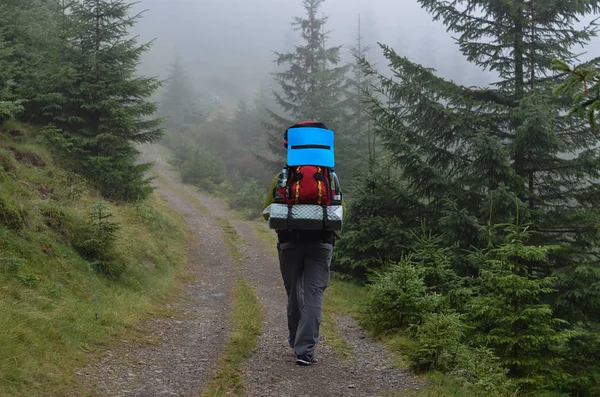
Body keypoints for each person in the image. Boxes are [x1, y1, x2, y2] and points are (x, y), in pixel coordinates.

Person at [262, 120, 345, 366]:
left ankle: (295, 338)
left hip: (289, 242)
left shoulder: (284, 176)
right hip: (322, 243)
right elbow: (341, 211)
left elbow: (267, 211)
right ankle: (305, 351)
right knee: (314, 296)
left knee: (294, 295)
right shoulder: (330, 177)